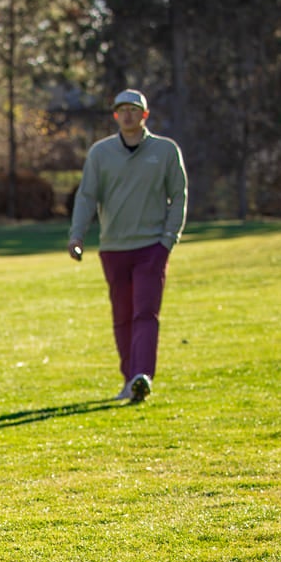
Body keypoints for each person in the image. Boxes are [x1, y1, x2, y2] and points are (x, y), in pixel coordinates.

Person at [68, 88, 188, 403]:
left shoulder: (164, 151)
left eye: (134, 110)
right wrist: (77, 235)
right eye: (122, 110)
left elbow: (179, 196)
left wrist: (168, 239)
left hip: (151, 246)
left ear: (145, 115)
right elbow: (87, 197)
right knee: (122, 316)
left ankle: (142, 375)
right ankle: (129, 378)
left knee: (145, 313)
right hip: (113, 248)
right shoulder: (100, 153)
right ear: (115, 115)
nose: (128, 115)